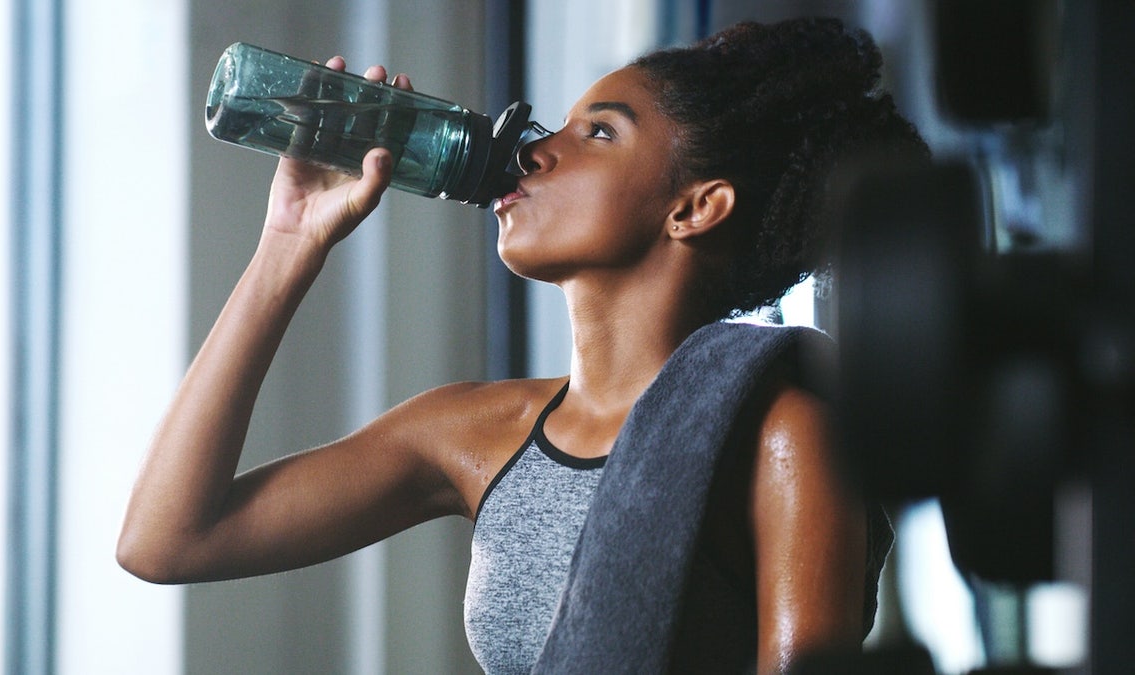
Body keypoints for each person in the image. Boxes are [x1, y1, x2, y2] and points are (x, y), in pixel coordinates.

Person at [118, 17, 927, 674]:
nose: (536, 150)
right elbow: (168, 538)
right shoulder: (474, 431)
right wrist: (288, 244)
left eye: (598, 133)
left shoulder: (782, 434)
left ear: (696, 207)